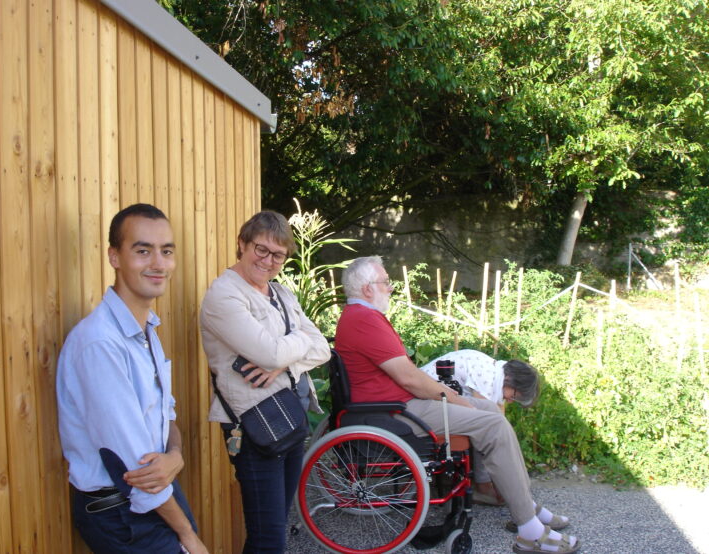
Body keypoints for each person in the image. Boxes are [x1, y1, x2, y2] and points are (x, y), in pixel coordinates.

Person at [335, 256, 580, 554]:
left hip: (395, 406)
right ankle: (529, 530)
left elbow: (406, 377)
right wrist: (452, 397)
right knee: (493, 424)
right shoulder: (365, 321)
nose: (391, 288)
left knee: (490, 411)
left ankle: (525, 505)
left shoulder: (362, 317)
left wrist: (455, 400)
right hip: (394, 413)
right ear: (367, 288)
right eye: (386, 282)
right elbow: (410, 378)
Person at [57, 204, 208, 554]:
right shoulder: (100, 343)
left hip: (156, 494)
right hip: (121, 512)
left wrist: (176, 452)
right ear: (114, 256)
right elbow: (132, 466)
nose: (158, 263)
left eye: (166, 251)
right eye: (143, 251)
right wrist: (188, 535)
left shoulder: (145, 329)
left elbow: (164, 412)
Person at [199, 210, 330, 553]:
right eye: (261, 249)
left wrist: (280, 361)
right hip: (253, 425)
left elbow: (322, 348)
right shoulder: (224, 296)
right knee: (268, 539)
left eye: (278, 255)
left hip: (289, 414)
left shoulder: (281, 294)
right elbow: (273, 352)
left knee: (271, 531)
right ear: (242, 244)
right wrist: (284, 354)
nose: (268, 261)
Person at [421, 350, 540, 506]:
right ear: (511, 380)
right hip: (427, 403)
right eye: (514, 396)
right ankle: (485, 487)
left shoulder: (494, 373)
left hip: (436, 400)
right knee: (486, 431)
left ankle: (498, 487)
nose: (511, 401)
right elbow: (487, 428)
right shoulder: (486, 375)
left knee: (493, 428)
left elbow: (499, 418)